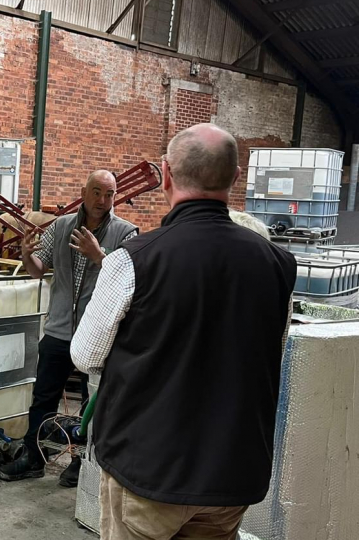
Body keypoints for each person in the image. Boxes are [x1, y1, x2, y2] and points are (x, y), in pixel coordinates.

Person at [71, 124, 297, 540]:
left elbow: (85, 355)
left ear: (167, 175)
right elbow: (272, 347)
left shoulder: (131, 260)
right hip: (231, 473)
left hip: (148, 470)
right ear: (235, 177)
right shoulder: (278, 263)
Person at [0, 170, 138, 486]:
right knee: (43, 397)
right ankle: (33, 457)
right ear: (84, 192)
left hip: (98, 334)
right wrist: (26, 254)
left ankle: (80, 462)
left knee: (91, 403)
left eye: (110, 194)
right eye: (97, 192)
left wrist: (99, 256)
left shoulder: (126, 233)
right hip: (59, 330)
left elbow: (129, 281)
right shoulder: (60, 227)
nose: (103, 200)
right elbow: (36, 272)